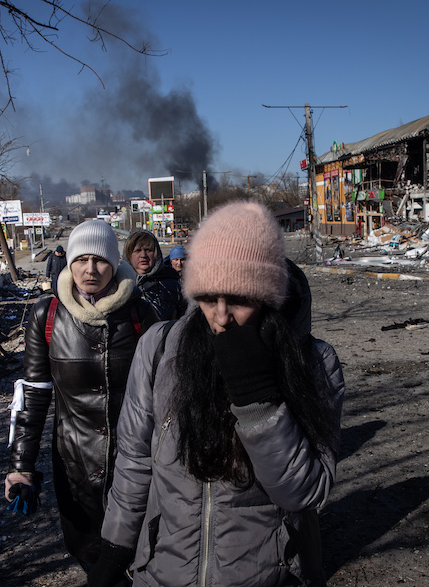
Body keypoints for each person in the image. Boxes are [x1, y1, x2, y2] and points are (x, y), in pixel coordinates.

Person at [89, 201, 345, 587]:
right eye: (208, 297)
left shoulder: (312, 362)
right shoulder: (160, 348)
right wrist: (114, 549)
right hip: (165, 572)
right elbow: (135, 461)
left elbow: (304, 492)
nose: (220, 316)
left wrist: (258, 402)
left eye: (240, 299)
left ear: (269, 297)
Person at [5, 220, 158, 574]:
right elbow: (33, 393)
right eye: (81, 259)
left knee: (142, 560)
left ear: (115, 263)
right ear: (70, 262)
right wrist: (20, 467)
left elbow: (163, 392)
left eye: (101, 260)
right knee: (93, 559)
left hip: (136, 467)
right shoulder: (48, 315)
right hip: (75, 470)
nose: (90, 270)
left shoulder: (140, 315)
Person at [123, 230, 186, 321]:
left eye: (148, 250)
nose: (143, 255)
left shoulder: (173, 285)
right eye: (137, 250)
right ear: (128, 255)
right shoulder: (118, 286)